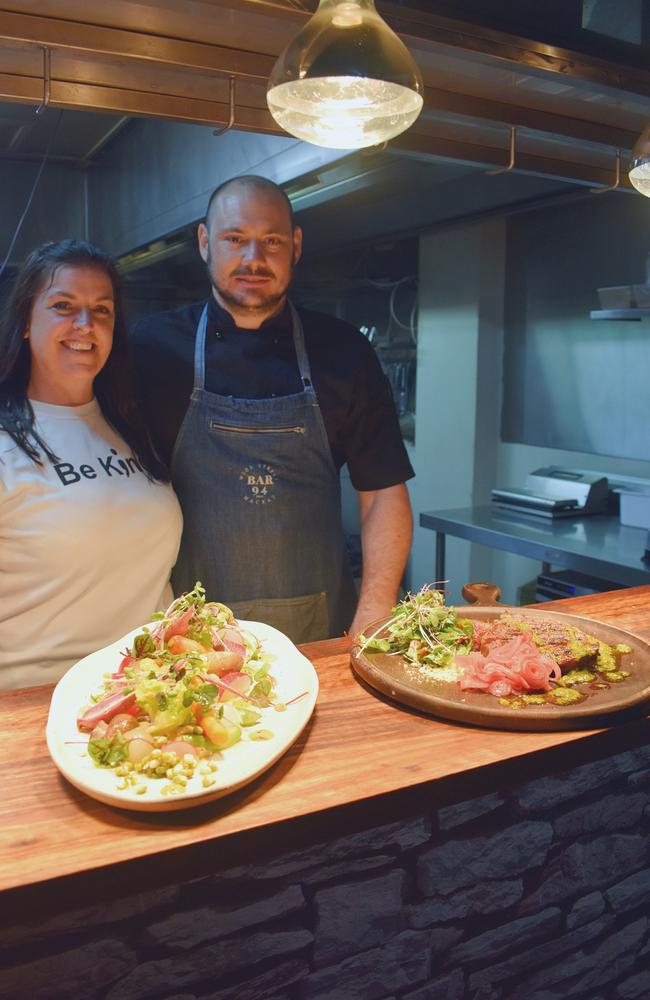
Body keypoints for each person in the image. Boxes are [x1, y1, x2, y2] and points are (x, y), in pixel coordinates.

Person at [131, 175, 413, 643]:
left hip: (320, 628)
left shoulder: (343, 351)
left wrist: (375, 611)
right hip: (187, 636)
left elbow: (383, 493)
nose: (253, 259)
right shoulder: (151, 349)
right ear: (205, 242)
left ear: (296, 245)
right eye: (235, 239)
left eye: (272, 241)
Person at [0, 240, 183, 689]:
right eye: (63, 305)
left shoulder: (132, 427)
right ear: (25, 321)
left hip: (150, 696)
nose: (85, 324)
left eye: (102, 310)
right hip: (33, 705)